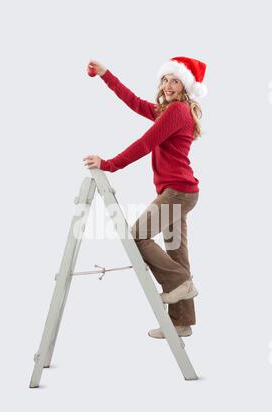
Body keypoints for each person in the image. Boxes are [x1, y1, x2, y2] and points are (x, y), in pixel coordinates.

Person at [83, 56, 207, 338]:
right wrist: (106, 74)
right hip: (180, 192)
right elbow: (135, 103)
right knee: (177, 252)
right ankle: (181, 322)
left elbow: (145, 144)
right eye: (165, 79)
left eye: (176, 81)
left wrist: (109, 163)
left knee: (137, 235)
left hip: (178, 193)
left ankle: (179, 282)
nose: (168, 85)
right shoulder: (170, 111)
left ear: (185, 87)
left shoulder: (176, 111)